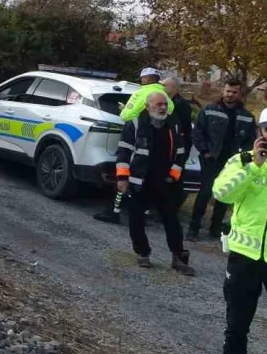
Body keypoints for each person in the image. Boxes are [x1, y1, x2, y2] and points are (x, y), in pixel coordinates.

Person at [199, 110, 267, 354]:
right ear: (259, 131)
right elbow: (222, 193)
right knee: (236, 326)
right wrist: (253, 166)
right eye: (266, 129)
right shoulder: (241, 160)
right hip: (244, 257)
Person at [115, 91, 194, 275]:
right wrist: (122, 178)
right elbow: (123, 153)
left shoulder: (173, 125)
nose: (162, 107)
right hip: (139, 181)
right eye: (158, 104)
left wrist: (173, 176)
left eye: (164, 104)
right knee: (136, 219)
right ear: (147, 105)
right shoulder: (135, 124)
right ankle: (143, 252)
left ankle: (178, 257)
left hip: (165, 182)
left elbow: (180, 154)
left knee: (172, 221)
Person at [93, 69, 176, 225]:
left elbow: (126, 116)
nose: (141, 81)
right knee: (148, 180)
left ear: (145, 78)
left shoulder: (141, 93)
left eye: (142, 78)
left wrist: (125, 109)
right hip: (156, 145)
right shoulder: (166, 98)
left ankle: (114, 212)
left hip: (137, 141)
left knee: (125, 176)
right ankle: (142, 214)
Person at [189, 78, 256, 241]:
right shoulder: (210, 110)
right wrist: (205, 152)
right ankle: (193, 228)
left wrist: (244, 161)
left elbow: (250, 141)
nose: (230, 95)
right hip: (211, 159)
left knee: (225, 195)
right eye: (228, 91)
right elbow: (198, 132)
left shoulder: (247, 117)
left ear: (239, 94)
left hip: (233, 163)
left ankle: (215, 228)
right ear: (223, 91)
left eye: (234, 92)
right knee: (205, 193)